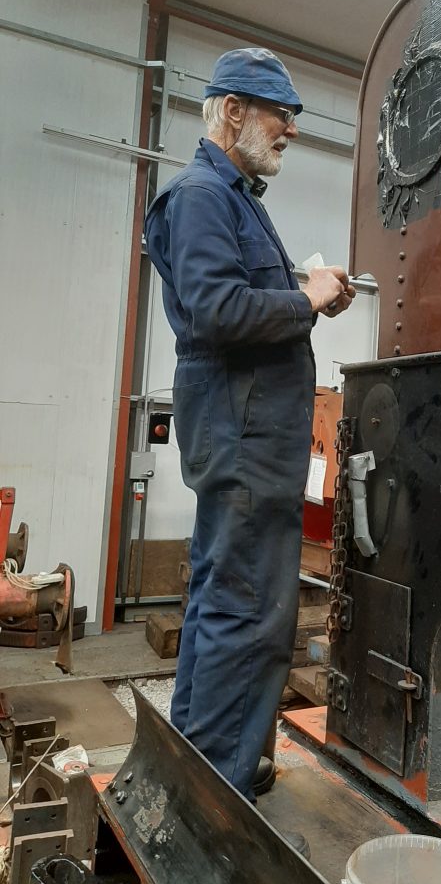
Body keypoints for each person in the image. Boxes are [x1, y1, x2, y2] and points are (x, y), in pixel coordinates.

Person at [144, 47, 355, 808]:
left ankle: (199, 765)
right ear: (232, 111)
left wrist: (308, 290)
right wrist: (304, 300)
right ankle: (221, 797)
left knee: (219, 601)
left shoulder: (235, 196)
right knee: (251, 617)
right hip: (245, 440)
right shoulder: (203, 195)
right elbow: (216, 309)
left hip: (245, 435)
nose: (290, 131)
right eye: (280, 116)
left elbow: (233, 298)